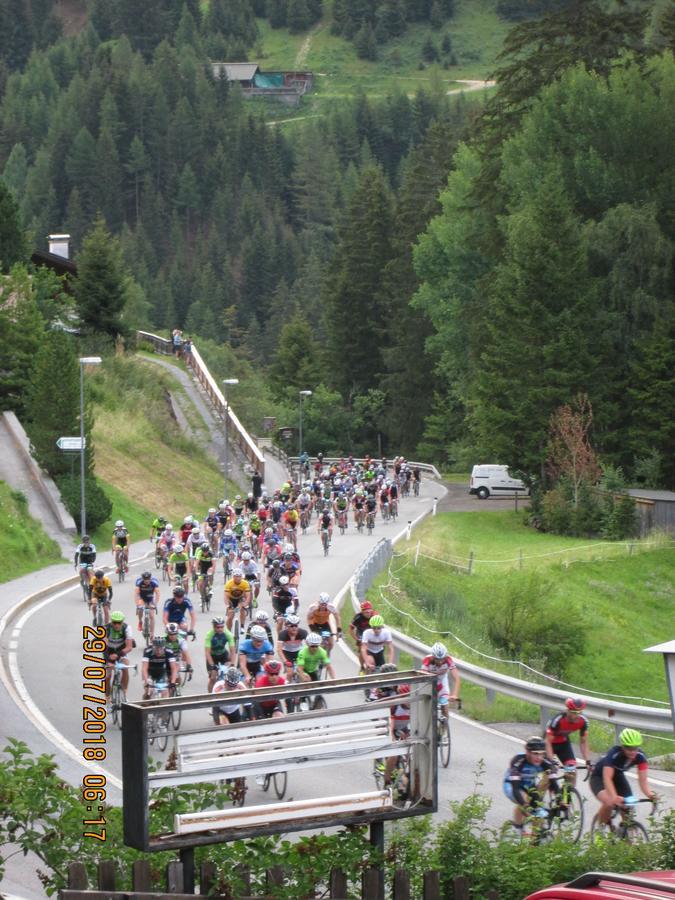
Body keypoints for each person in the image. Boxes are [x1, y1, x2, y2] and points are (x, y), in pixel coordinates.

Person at [590, 728, 657, 828]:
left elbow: (643, 781)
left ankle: (627, 836)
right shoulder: (614, 754)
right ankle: (600, 831)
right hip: (599, 777)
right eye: (629, 748)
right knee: (609, 802)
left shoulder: (641, 757)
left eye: (635, 748)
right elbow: (607, 778)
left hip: (617, 776)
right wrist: (614, 797)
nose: (632, 752)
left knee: (629, 806)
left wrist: (650, 795)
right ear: (622, 746)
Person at [503, 736, 558, 828]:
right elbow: (516, 789)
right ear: (527, 752)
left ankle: (534, 840)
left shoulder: (544, 762)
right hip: (512, 785)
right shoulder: (518, 761)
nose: (538, 757)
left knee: (540, 817)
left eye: (541, 754)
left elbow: (554, 784)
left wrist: (560, 800)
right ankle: (518, 828)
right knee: (525, 801)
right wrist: (525, 805)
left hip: (529, 786)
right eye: (535, 753)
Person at [545, 698, 591, 782]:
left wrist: (587, 761)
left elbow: (583, 742)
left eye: (579, 712)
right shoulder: (558, 720)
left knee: (572, 773)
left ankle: (568, 792)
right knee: (548, 774)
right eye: (573, 712)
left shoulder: (583, 722)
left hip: (563, 744)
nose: (576, 715)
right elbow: (548, 741)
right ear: (568, 710)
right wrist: (551, 761)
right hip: (549, 744)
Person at [421, 642, 460, 714]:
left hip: (442, 680)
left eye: (442, 659)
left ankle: (445, 722)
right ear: (433, 657)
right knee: (427, 705)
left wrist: (455, 694)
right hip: (429, 681)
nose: (440, 662)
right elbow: (423, 678)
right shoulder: (427, 660)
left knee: (445, 707)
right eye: (437, 659)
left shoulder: (448, 660)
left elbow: (457, 679)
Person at [103, 611, 133, 700]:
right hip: (109, 652)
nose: (116, 625)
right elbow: (104, 648)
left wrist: (118, 654)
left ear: (122, 622)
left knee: (125, 667)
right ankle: (108, 698)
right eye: (114, 622)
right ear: (111, 622)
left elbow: (129, 647)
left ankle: (124, 693)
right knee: (107, 675)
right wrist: (108, 660)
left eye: (119, 622)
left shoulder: (127, 628)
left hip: (121, 651)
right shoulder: (106, 629)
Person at [205, 616, 236, 690]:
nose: (220, 629)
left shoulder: (228, 634)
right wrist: (212, 665)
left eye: (222, 627)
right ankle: (210, 696)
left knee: (229, 673)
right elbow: (207, 653)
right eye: (217, 627)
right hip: (212, 656)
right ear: (213, 626)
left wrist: (232, 663)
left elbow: (233, 651)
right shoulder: (209, 635)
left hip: (223, 655)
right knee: (213, 678)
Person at [134, 570, 160, 637]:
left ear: (150, 578)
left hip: (150, 599)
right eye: (145, 579)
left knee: (151, 615)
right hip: (142, 598)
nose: (147, 581)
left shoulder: (154, 583)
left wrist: (155, 604)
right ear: (142, 579)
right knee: (140, 609)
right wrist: (137, 605)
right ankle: (140, 621)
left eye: (148, 579)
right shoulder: (139, 583)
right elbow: (136, 594)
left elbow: (157, 594)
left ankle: (152, 633)